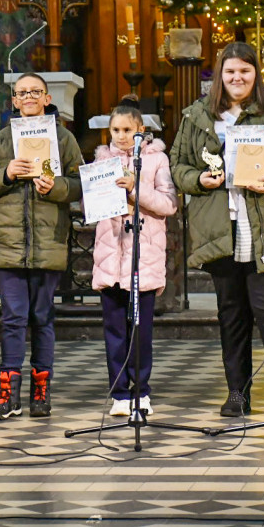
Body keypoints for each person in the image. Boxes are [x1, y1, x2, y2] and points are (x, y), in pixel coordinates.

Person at [170, 41, 264, 422]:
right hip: (221, 227)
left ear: (257, 75)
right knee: (231, 315)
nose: (237, 78)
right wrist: (199, 179)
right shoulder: (197, 116)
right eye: (230, 71)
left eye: (245, 71)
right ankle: (237, 393)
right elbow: (177, 166)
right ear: (219, 74)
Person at [0, 73, 83, 420]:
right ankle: (8, 393)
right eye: (23, 93)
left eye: (36, 92)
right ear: (15, 101)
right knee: (12, 319)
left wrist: (56, 188)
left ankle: (41, 389)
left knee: (42, 317)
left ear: (47, 99)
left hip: (48, 240)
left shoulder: (63, 138)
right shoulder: (2, 140)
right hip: (9, 243)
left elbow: (81, 183)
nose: (30, 97)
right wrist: (6, 173)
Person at [92, 96, 177, 416]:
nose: (120, 135)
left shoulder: (156, 160)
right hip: (111, 255)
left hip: (143, 256)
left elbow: (168, 204)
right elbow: (93, 206)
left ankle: (141, 390)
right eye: (115, 129)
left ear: (141, 130)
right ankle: (119, 393)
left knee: (140, 329)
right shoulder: (102, 160)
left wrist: (134, 188)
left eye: (127, 129)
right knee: (114, 328)